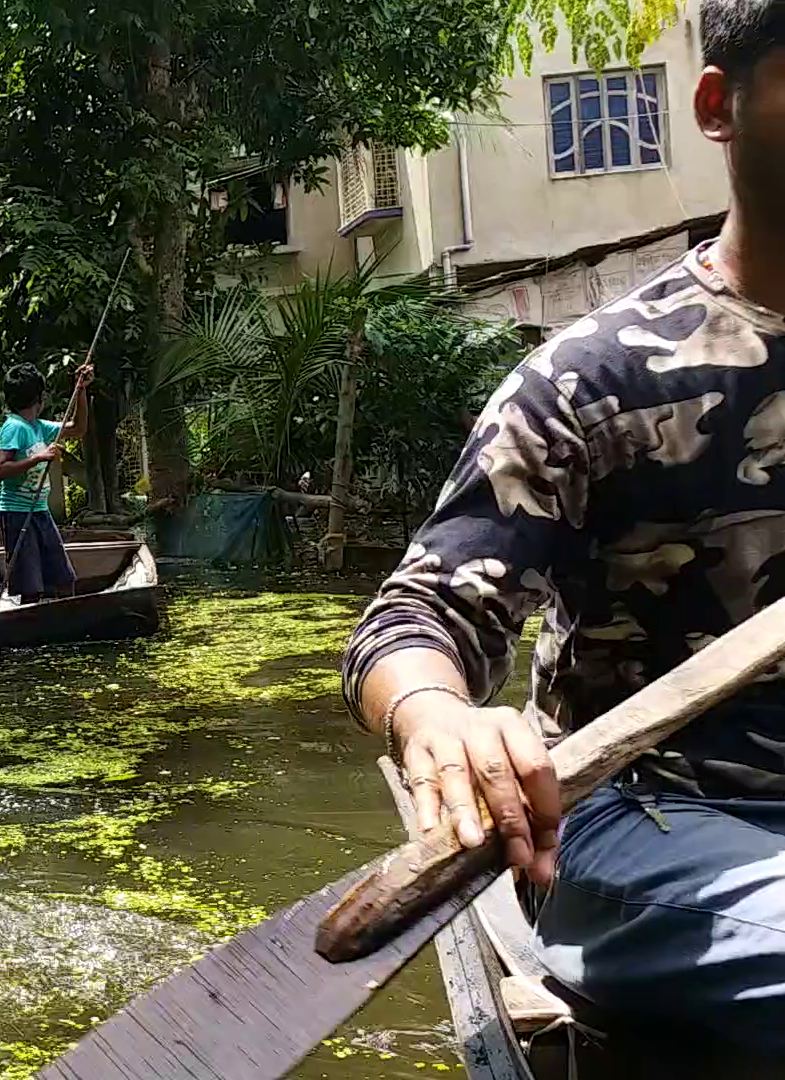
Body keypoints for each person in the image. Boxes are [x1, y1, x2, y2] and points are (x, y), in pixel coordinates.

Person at [341, 0, 785, 1048]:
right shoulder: (595, 380)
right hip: (651, 816)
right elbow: (412, 619)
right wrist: (441, 722)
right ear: (721, 108)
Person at [0, 361, 93, 601]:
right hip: (16, 513)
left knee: (64, 578)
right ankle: (30, 626)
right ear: (40, 396)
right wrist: (39, 457)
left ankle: (61, 618)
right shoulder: (14, 427)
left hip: (40, 511)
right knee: (30, 587)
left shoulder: (39, 427)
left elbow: (78, 428)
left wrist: (80, 391)